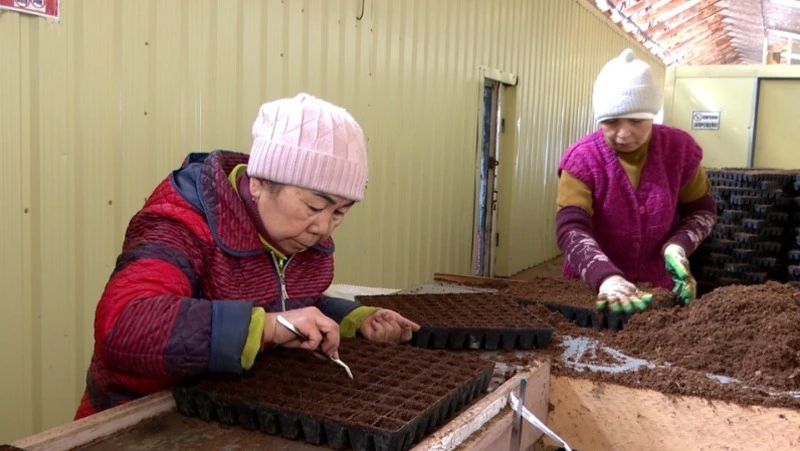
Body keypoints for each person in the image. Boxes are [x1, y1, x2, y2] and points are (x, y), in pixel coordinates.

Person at [75, 93, 420, 419]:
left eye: (340, 213)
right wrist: (270, 327)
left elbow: (289, 302)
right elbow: (126, 325)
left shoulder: (299, 239)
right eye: (315, 206)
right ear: (258, 182)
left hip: (223, 415)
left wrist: (354, 319)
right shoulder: (181, 222)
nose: (324, 228)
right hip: (136, 419)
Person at [555, 49, 716, 314]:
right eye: (611, 121)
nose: (623, 133)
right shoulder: (582, 159)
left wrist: (678, 246)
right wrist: (606, 276)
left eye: (636, 120)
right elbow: (571, 228)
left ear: (652, 114)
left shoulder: (679, 151)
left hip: (654, 293)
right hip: (592, 292)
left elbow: (702, 211)